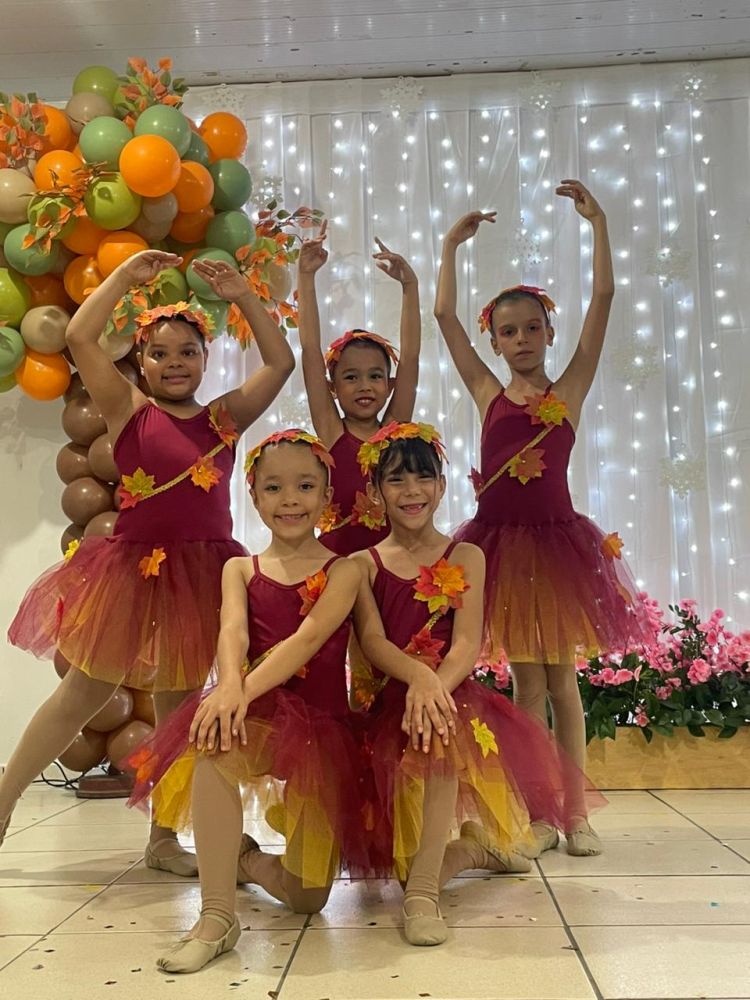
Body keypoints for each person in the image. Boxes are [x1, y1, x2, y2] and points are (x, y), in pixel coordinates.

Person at [1, 250, 294, 874]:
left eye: (187, 351)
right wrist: (125, 276)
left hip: (204, 575)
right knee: (83, 691)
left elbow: (280, 363)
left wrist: (243, 295)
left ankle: (162, 837)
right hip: (132, 571)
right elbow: (80, 336)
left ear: (206, 358)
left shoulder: (223, 420)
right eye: (159, 353)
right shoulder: (129, 409)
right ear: (141, 360)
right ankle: (3, 798)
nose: (174, 362)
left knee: (180, 707)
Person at [434, 180, 644, 856]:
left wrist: (598, 224)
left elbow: (604, 300)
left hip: (556, 551)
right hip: (499, 549)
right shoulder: (487, 391)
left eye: (532, 328)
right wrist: (450, 248)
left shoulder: (569, 388)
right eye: (508, 331)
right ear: (494, 342)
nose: (521, 338)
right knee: (526, 684)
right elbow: (443, 316)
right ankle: (535, 813)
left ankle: (576, 813)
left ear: (549, 333)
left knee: (563, 683)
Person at [351, 422, 603, 945]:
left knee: (439, 733)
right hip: (394, 697)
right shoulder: (362, 565)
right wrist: (417, 677)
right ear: (375, 491)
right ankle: (476, 850)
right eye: (396, 479)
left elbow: (467, 643)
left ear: (442, 485)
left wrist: (434, 687)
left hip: (450, 697)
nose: (412, 490)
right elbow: (372, 641)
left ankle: (424, 895)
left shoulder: (467, 556)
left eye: (424, 477)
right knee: (399, 861)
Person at [126, 430, 366, 973]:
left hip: (321, 728)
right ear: (253, 496)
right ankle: (217, 917)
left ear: (327, 496)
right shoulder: (239, 567)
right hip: (253, 715)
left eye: (305, 486)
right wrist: (228, 687)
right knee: (213, 748)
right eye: (274, 488)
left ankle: (246, 859)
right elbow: (232, 630)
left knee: (307, 899)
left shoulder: (345, 570)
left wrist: (239, 688)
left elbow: (307, 639)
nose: (290, 500)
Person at [295, 219, 421, 555]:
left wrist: (410, 287)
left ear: (390, 385)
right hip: (338, 564)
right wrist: (305, 276)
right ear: (332, 388)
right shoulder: (332, 430)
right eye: (351, 377)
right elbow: (310, 351)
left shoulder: (394, 430)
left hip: (391, 564)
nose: (364, 386)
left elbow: (410, 358)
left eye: (375, 376)